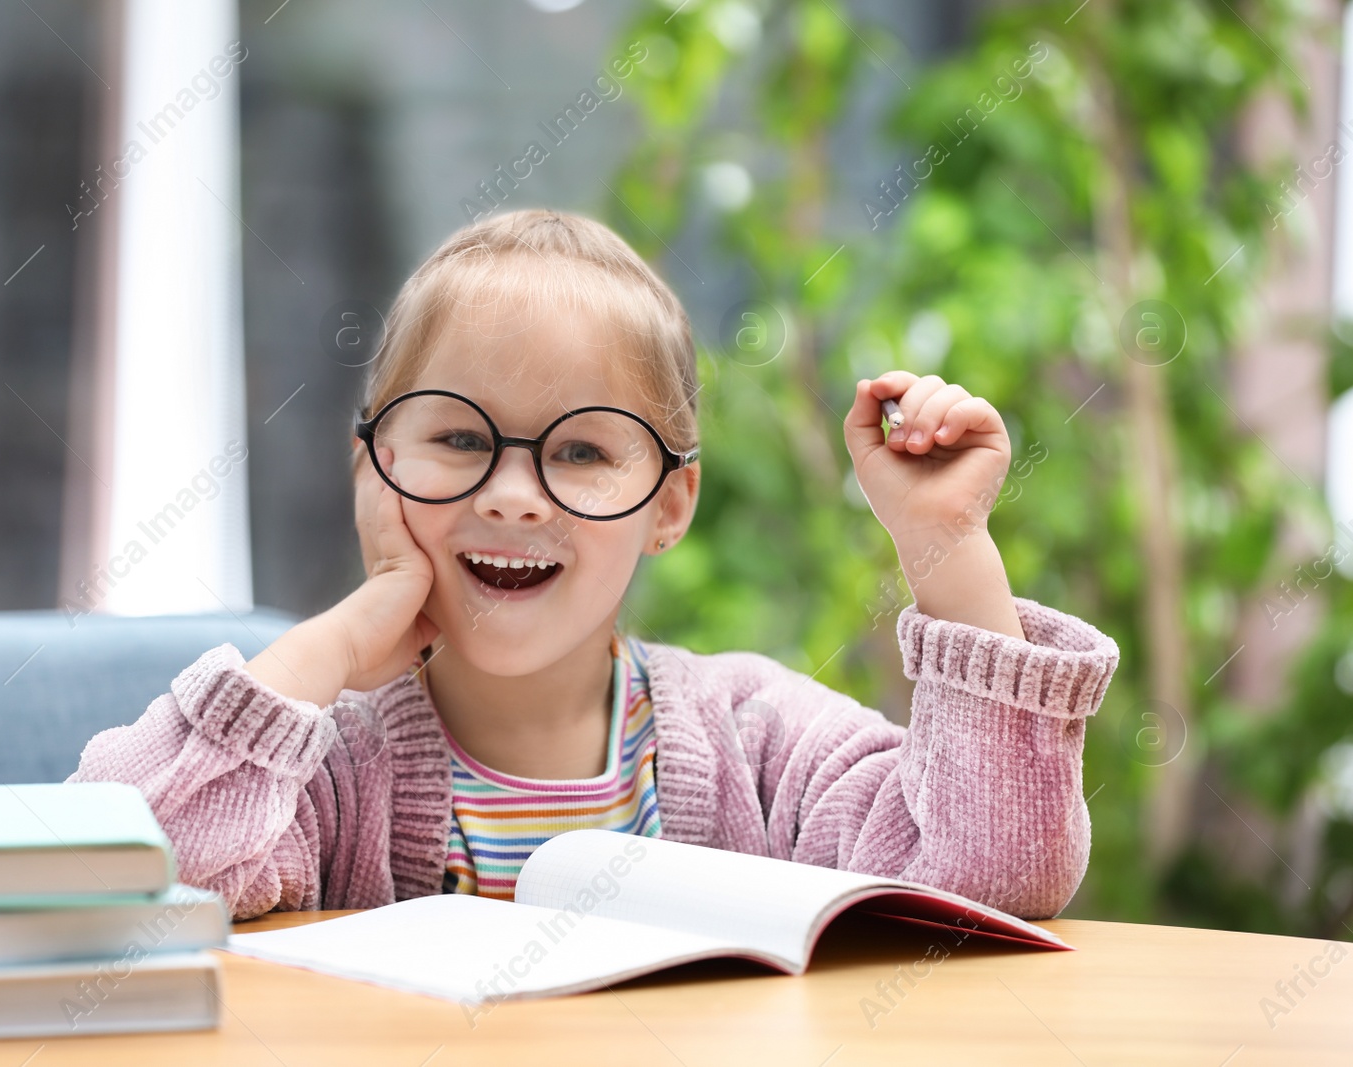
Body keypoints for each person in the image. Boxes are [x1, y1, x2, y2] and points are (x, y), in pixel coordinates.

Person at [67, 208, 1119, 921]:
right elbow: (109, 876)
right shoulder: (328, 769)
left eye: (579, 450)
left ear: (668, 502)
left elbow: (996, 873)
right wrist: (338, 640)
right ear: (376, 470)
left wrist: (947, 547)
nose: (515, 492)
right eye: (461, 441)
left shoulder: (754, 739)